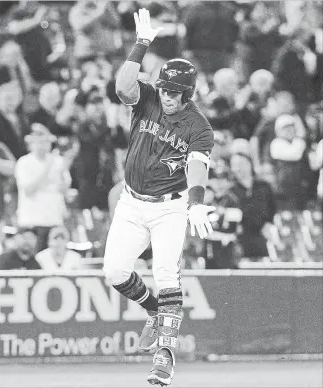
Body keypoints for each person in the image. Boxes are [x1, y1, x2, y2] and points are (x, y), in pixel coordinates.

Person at [103, 9, 214, 386]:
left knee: (166, 272)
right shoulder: (148, 96)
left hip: (170, 207)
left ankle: (165, 356)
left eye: (174, 92)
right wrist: (141, 44)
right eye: (165, 89)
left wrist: (196, 201)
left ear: (188, 94)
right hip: (132, 202)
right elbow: (122, 88)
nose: (167, 96)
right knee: (115, 271)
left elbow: (197, 166)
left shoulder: (198, 126)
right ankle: (152, 310)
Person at [15, 123, 72, 252]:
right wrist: (47, 168)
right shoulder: (24, 162)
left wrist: (63, 172)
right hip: (32, 221)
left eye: (46, 141)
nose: (43, 145)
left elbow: (65, 189)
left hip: (54, 219)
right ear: (31, 142)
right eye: (39, 141)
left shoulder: (58, 161)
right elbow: (29, 190)